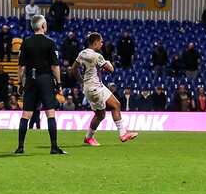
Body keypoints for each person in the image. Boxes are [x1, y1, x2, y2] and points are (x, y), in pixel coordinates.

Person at [70, 32, 138, 146]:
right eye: (100, 42)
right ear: (95, 43)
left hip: (97, 86)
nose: (101, 44)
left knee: (116, 105)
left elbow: (73, 69)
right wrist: (108, 62)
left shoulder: (82, 53)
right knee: (100, 115)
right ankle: (88, 137)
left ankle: (123, 133)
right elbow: (110, 70)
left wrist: (82, 81)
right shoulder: (96, 56)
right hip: (94, 89)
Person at [15, 15, 67, 154]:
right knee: (50, 113)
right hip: (45, 79)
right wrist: (59, 83)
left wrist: (20, 83)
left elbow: (21, 66)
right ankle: (54, 147)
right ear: (43, 25)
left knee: (26, 114)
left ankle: (20, 147)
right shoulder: (50, 42)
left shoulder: (26, 42)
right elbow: (55, 67)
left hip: (30, 79)